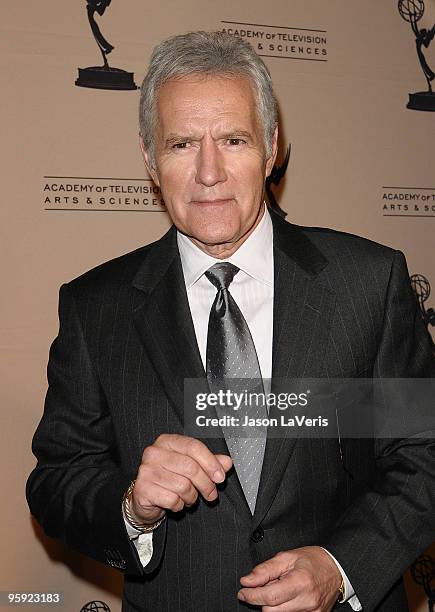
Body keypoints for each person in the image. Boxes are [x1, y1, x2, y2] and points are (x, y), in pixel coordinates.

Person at [27, 31, 435, 612]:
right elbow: (57, 479)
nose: (209, 172)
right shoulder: (97, 307)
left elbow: (422, 452)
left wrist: (342, 566)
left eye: (234, 140)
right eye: (182, 144)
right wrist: (131, 505)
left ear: (271, 147)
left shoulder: (368, 282)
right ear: (148, 157)